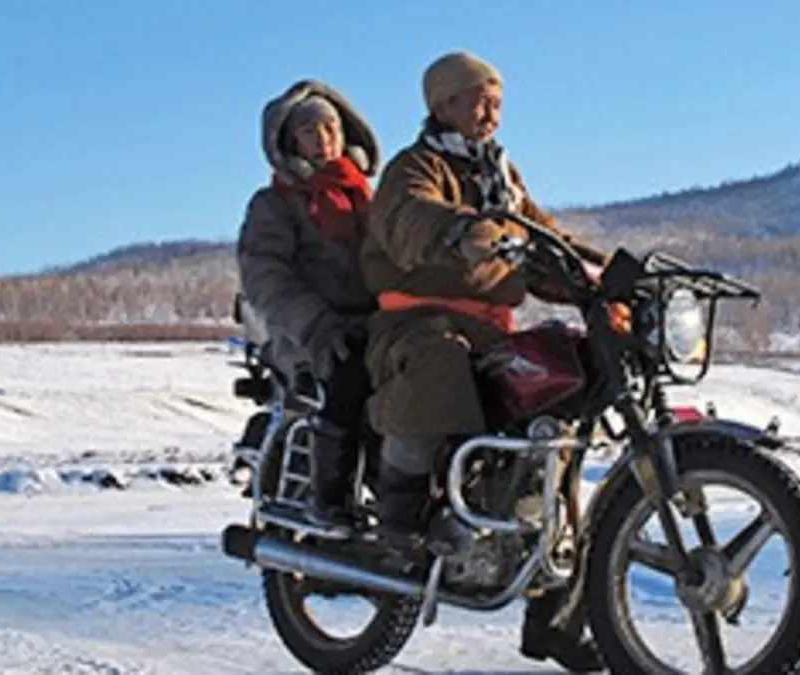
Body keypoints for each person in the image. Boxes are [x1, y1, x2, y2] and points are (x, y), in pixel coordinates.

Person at [358, 51, 610, 672]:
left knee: (559, 420)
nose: (490, 110)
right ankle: (399, 517)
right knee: (439, 366)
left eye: (496, 100)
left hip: (490, 329)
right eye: (477, 99)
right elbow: (404, 217)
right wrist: (457, 230)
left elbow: (542, 237)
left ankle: (553, 614)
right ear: (442, 105)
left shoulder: (501, 174)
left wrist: (600, 274)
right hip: (414, 322)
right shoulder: (416, 166)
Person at [236, 79, 381, 532]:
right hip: (308, 333)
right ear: (288, 141)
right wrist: (317, 326)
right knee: (351, 371)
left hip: (377, 323)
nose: (324, 140)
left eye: (331, 128)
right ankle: (329, 499)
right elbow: (266, 278)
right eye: (310, 130)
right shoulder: (275, 204)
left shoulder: (367, 198)